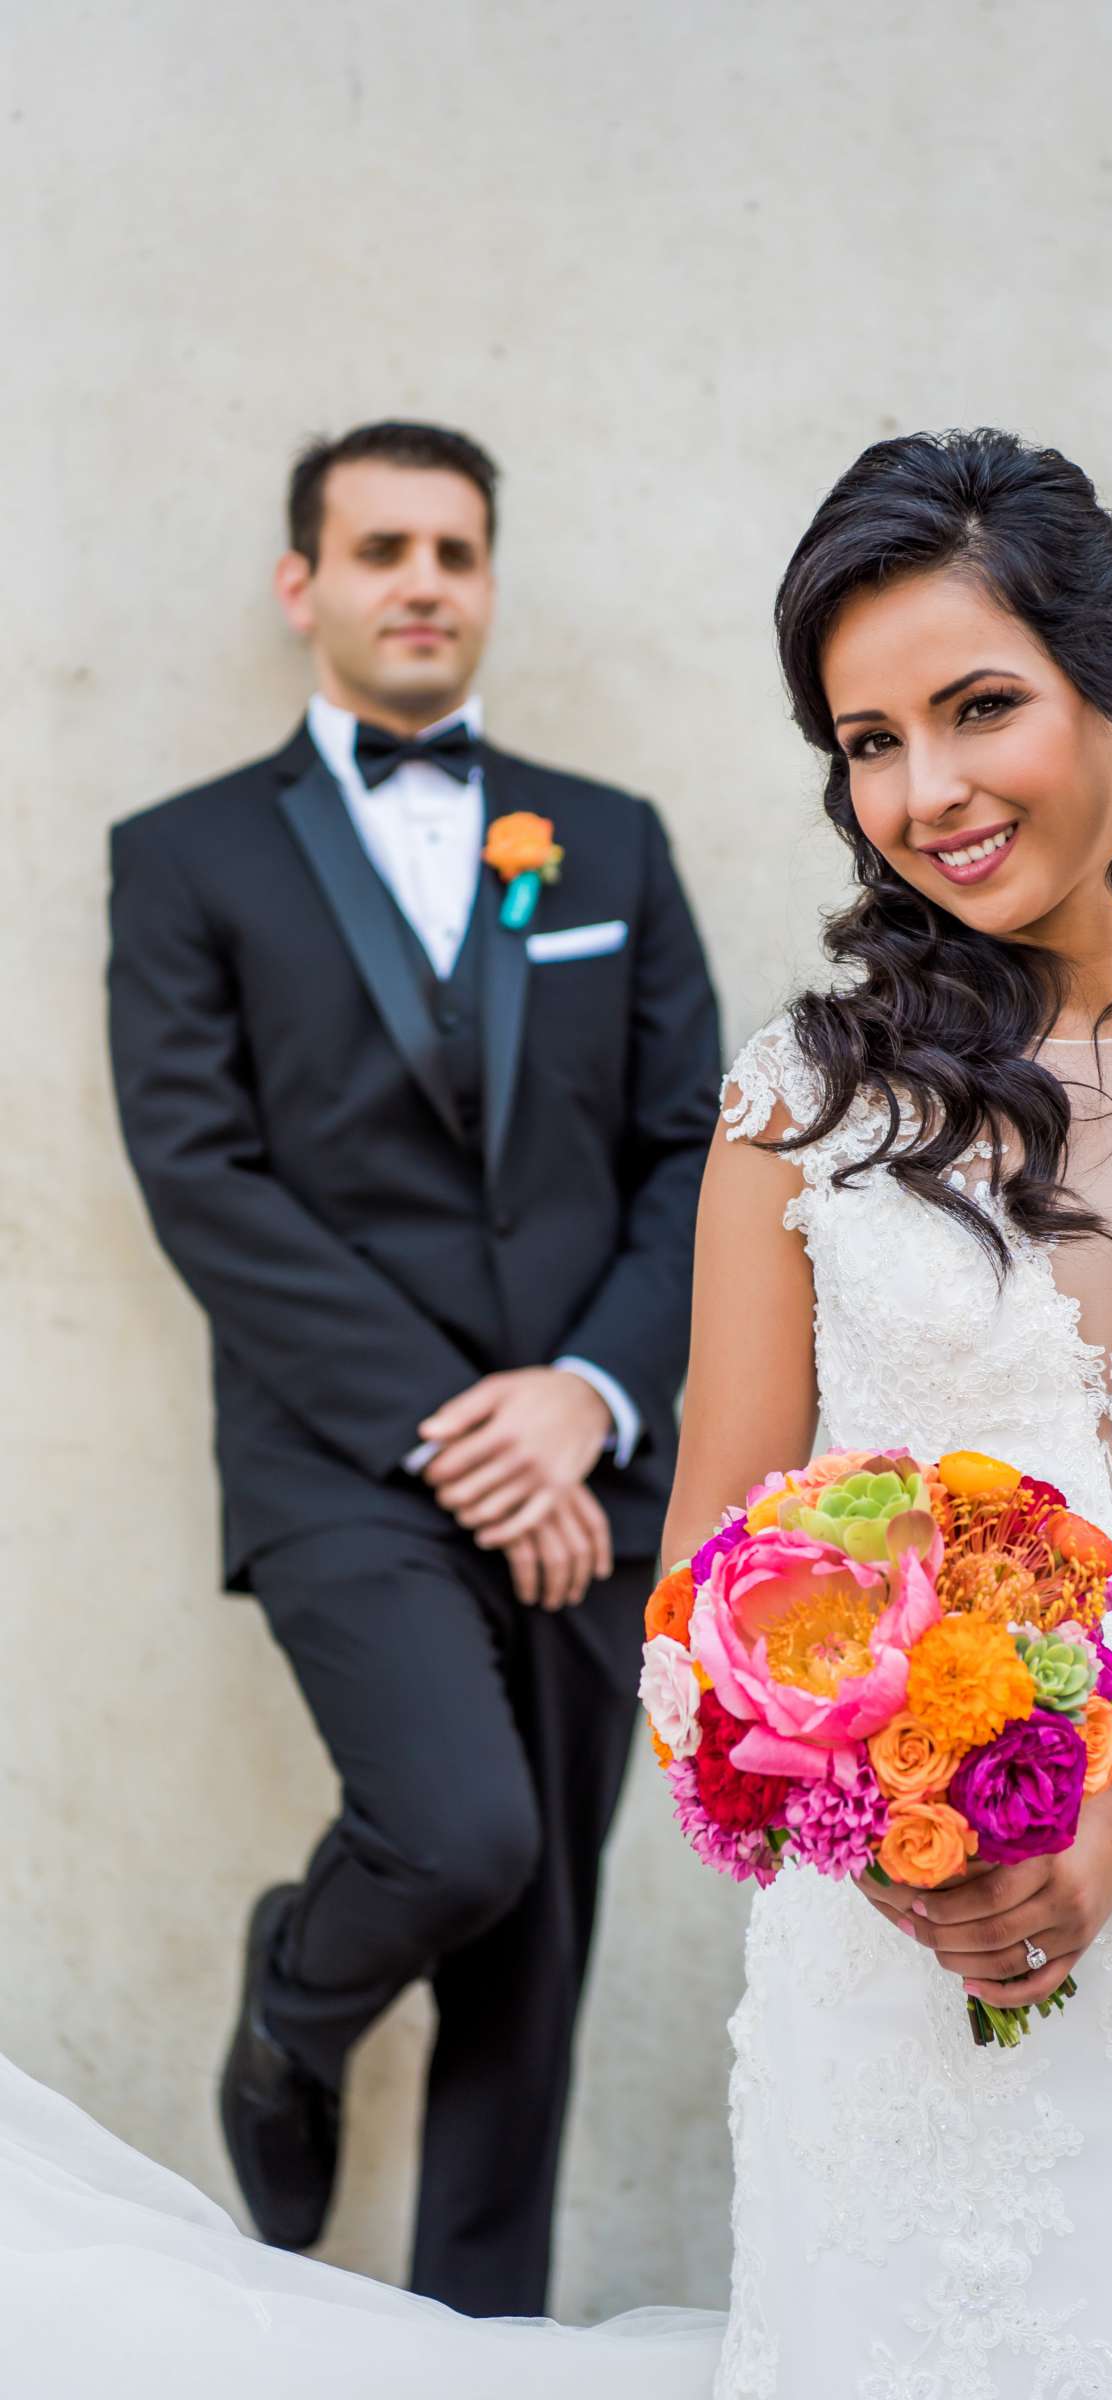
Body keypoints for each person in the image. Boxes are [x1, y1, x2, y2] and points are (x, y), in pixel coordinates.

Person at [5, 427, 1112, 2397]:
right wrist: (866, 1809)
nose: (925, 793)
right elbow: (709, 1564)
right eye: (868, 741)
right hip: (906, 1949)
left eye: (978, 710)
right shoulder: (805, 1103)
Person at [103, 419, 723, 2318]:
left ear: (488, 580)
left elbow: (703, 1146)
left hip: (590, 1464)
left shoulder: (604, 837)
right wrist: (469, 1430)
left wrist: (591, 1399)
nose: (423, 581)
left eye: (455, 548)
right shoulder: (183, 856)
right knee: (457, 1835)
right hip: (339, 1462)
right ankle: (299, 2000)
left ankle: (481, 2352)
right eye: (381, 548)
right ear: (306, 584)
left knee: (533, 1968)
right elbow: (197, 1173)